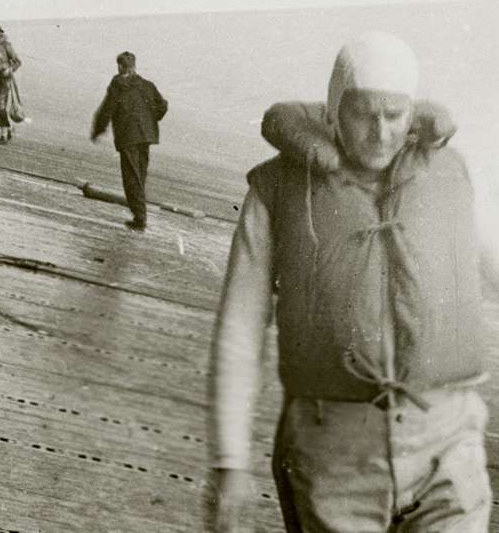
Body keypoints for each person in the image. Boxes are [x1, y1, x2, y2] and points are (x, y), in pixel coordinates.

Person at [208, 32, 499, 532]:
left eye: (395, 115)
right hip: (332, 456)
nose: (381, 133)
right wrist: (229, 458)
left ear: (413, 114)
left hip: (450, 445)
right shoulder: (276, 189)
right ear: (333, 112)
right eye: (364, 115)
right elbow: (240, 327)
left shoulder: (453, 176)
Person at [90, 51, 168, 231]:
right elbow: (163, 105)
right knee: (140, 175)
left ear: (120, 66)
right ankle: (140, 215)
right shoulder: (147, 85)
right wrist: (150, 119)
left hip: (128, 136)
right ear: (134, 66)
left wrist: (97, 130)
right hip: (146, 136)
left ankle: (140, 218)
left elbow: (106, 110)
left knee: (131, 177)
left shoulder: (117, 85)